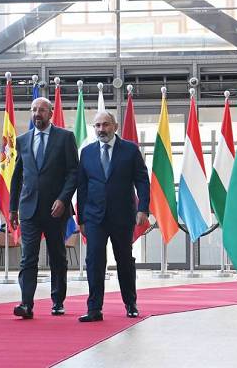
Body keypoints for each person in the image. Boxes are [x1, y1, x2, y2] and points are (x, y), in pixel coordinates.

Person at [76, 110, 150, 322]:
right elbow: (82, 187)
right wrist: (81, 219)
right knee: (94, 261)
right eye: (98, 125)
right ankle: (94, 309)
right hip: (94, 217)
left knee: (124, 260)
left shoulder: (130, 150)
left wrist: (143, 209)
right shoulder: (87, 152)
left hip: (122, 216)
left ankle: (131, 304)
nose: (102, 129)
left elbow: (142, 180)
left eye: (106, 125)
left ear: (115, 127)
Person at [9, 97, 79, 319]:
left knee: (57, 256)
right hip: (29, 209)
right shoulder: (23, 140)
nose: (37, 113)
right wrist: (12, 209)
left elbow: (73, 172)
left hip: (56, 210)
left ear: (50, 113)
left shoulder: (65, 138)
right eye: (34, 110)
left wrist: (63, 199)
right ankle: (26, 304)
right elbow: (17, 176)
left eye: (41, 110)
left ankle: (58, 301)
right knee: (28, 258)